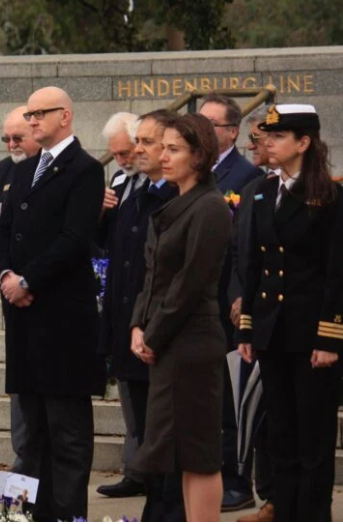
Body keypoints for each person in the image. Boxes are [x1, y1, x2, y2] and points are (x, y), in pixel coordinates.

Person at [0, 86, 105, 521]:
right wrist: (4, 276)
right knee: (32, 432)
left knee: (67, 433)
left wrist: (28, 279)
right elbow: (2, 231)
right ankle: (32, 515)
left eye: (41, 113)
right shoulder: (21, 171)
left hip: (61, 319)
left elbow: (75, 239)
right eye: (30, 113)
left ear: (66, 116)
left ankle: (66, 515)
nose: (33, 120)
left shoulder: (85, 169)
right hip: (24, 316)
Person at [237, 104, 343, 522]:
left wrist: (329, 338)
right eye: (267, 136)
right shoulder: (264, 190)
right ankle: (284, 512)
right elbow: (253, 265)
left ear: (304, 143)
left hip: (311, 334)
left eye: (279, 137)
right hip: (272, 331)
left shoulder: (330, 196)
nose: (268, 143)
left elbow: (337, 273)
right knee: (280, 431)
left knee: (313, 437)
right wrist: (247, 329)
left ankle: (312, 514)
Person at [130, 113, 232, 522]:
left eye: (174, 149)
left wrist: (153, 335)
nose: (164, 156)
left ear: (200, 155)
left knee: (200, 452)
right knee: (182, 453)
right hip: (170, 340)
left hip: (191, 342)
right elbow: (153, 274)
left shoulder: (209, 207)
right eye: (163, 148)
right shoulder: (178, 203)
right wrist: (139, 324)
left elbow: (190, 284)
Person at [96, 110, 179, 501]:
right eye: (127, 150)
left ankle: (157, 484)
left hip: (159, 323)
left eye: (142, 145)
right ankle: (141, 473)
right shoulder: (127, 190)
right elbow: (112, 251)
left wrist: (149, 323)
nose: (132, 155)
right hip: (127, 315)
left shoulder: (176, 195)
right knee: (135, 405)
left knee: (159, 416)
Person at [199, 92, 265, 512]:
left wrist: (240, 297)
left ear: (231, 131)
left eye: (210, 125)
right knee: (212, 400)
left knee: (234, 401)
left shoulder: (244, 176)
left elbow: (246, 246)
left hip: (230, 304)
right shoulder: (195, 170)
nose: (201, 131)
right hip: (200, 303)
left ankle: (238, 480)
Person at [0, 105, 40, 474]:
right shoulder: (2, 170)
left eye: (18, 137)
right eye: (7, 138)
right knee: (16, 373)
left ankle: (35, 450)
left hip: (38, 288)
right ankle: (22, 451)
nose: (12, 144)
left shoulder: (49, 171)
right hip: (7, 283)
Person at [228, 107, 278, 523]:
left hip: (284, 324)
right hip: (252, 319)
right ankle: (267, 495)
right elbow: (240, 255)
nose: (252, 145)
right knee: (255, 414)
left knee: (280, 417)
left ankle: (281, 500)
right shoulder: (255, 190)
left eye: (259, 138)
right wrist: (238, 298)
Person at [97, 112, 142, 248]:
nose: (120, 162)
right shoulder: (119, 178)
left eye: (124, 153)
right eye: (114, 155)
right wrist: (99, 209)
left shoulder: (158, 180)